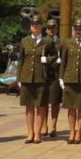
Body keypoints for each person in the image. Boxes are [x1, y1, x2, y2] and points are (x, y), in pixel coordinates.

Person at [18, 16, 54, 144]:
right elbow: (21, 60)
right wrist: (19, 78)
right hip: (27, 77)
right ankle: (30, 133)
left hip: (40, 78)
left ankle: (38, 133)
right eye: (33, 24)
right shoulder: (24, 41)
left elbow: (55, 55)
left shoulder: (47, 41)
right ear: (30, 27)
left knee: (40, 106)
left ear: (41, 27)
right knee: (29, 106)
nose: (35, 26)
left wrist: (47, 60)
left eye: (37, 24)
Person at [40, 19, 62, 138]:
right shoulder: (42, 41)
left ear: (57, 29)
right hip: (43, 73)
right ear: (46, 29)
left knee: (55, 100)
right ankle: (44, 125)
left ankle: (53, 125)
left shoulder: (61, 42)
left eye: (53, 28)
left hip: (56, 73)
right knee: (43, 101)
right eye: (49, 28)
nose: (51, 30)